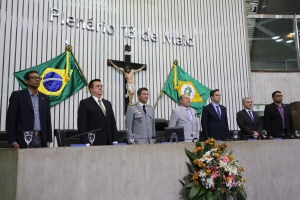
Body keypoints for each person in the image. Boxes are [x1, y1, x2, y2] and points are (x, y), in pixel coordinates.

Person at [6, 70, 52, 148]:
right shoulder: (18, 96)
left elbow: (47, 120)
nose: (37, 79)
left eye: (38, 78)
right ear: (26, 81)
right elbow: (10, 120)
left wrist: (48, 140)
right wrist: (13, 141)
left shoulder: (45, 98)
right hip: (23, 139)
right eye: (34, 77)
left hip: (42, 139)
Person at [77, 79, 118, 145]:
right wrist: (86, 142)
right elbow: (82, 125)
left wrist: (115, 140)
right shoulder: (85, 103)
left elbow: (112, 123)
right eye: (97, 86)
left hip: (109, 141)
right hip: (94, 141)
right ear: (91, 89)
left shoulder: (107, 103)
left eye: (101, 86)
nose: (100, 88)